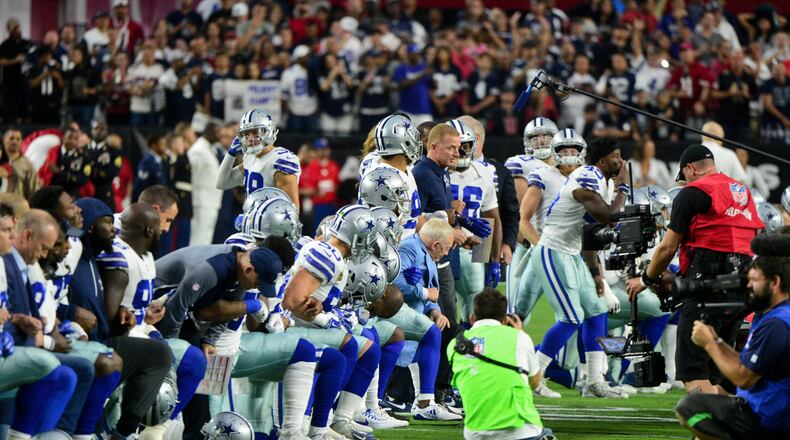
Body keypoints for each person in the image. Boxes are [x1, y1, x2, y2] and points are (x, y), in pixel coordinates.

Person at [626, 144, 765, 395]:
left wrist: (646, 279)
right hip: (742, 287)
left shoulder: (693, 192)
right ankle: (723, 419)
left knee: (694, 374)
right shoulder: (743, 192)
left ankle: (707, 420)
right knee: (716, 372)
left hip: (706, 287)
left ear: (690, 168)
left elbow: (667, 247)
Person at [523, 136, 632, 399]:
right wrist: (624, 187)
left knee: (597, 311)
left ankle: (593, 380)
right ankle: (534, 377)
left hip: (572, 253)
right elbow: (609, 217)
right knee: (571, 318)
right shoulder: (587, 175)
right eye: (616, 156)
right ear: (602, 161)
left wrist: (596, 275)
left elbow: (590, 233)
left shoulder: (599, 180)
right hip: (553, 250)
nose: (621, 161)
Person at [70, 197, 173, 439]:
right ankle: (105, 431)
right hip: (85, 338)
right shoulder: (101, 257)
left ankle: (124, 432)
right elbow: (97, 314)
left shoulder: (95, 256)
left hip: (108, 334)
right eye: (107, 223)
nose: (114, 230)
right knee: (164, 361)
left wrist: (133, 314)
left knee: (164, 355)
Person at [675, 233, 790, 439]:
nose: (748, 286)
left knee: (691, 408)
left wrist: (709, 343)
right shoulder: (777, 314)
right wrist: (717, 341)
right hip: (770, 409)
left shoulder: (776, 323)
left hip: (770, 419)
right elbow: (746, 364)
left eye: (754, 280)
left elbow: (743, 378)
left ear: (775, 282)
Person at [449, 287, 553, 440]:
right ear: (505, 320)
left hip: (475, 433)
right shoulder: (519, 337)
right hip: (521, 430)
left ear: (471, 318)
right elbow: (534, 382)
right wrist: (520, 332)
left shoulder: (455, 345)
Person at [391, 217, 461, 421]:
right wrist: (424, 294)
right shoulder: (409, 249)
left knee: (445, 331)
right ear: (435, 245)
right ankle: (424, 401)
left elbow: (431, 290)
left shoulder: (424, 250)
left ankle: (425, 399)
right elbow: (394, 284)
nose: (447, 253)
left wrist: (435, 311)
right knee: (432, 334)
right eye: (446, 248)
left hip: (414, 311)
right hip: (395, 313)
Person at [216, 109, 301, 208]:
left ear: (270, 131)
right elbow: (221, 183)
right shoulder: (249, 158)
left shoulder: (280, 161)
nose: (250, 138)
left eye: (256, 132)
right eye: (246, 134)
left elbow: (291, 210)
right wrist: (230, 154)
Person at [188, 124, 223, 245]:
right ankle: (194, 257)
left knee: (206, 237)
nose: (220, 135)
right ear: (208, 132)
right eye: (217, 132)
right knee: (198, 236)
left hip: (211, 202)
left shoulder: (210, 148)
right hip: (201, 202)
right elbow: (192, 176)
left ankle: (201, 257)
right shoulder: (198, 150)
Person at [302, 138, 340, 235]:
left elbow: (337, 184)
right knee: (317, 231)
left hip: (331, 204)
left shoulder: (333, 166)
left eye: (325, 148)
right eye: (321, 149)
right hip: (317, 205)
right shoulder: (312, 166)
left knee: (331, 231)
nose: (323, 151)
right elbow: (309, 186)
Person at [86, 121, 122, 211]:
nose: (98, 131)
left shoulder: (113, 151)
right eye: (96, 128)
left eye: (102, 129)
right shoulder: (84, 148)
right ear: (91, 130)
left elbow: (112, 173)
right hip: (85, 193)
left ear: (107, 132)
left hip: (104, 194)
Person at [2, 128, 41, 201]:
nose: (15, 142)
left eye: (18, 139)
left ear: (21, 142)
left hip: (17, 206)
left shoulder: (27, 165)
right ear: (4, 140)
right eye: (11, 138)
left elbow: (33, 190)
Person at [132, 133, 169, 202]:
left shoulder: (160, 162)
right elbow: (141, 185)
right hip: (148, 202)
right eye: (162, 144)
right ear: (154, 145)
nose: (165, 146)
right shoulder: (147, 162)